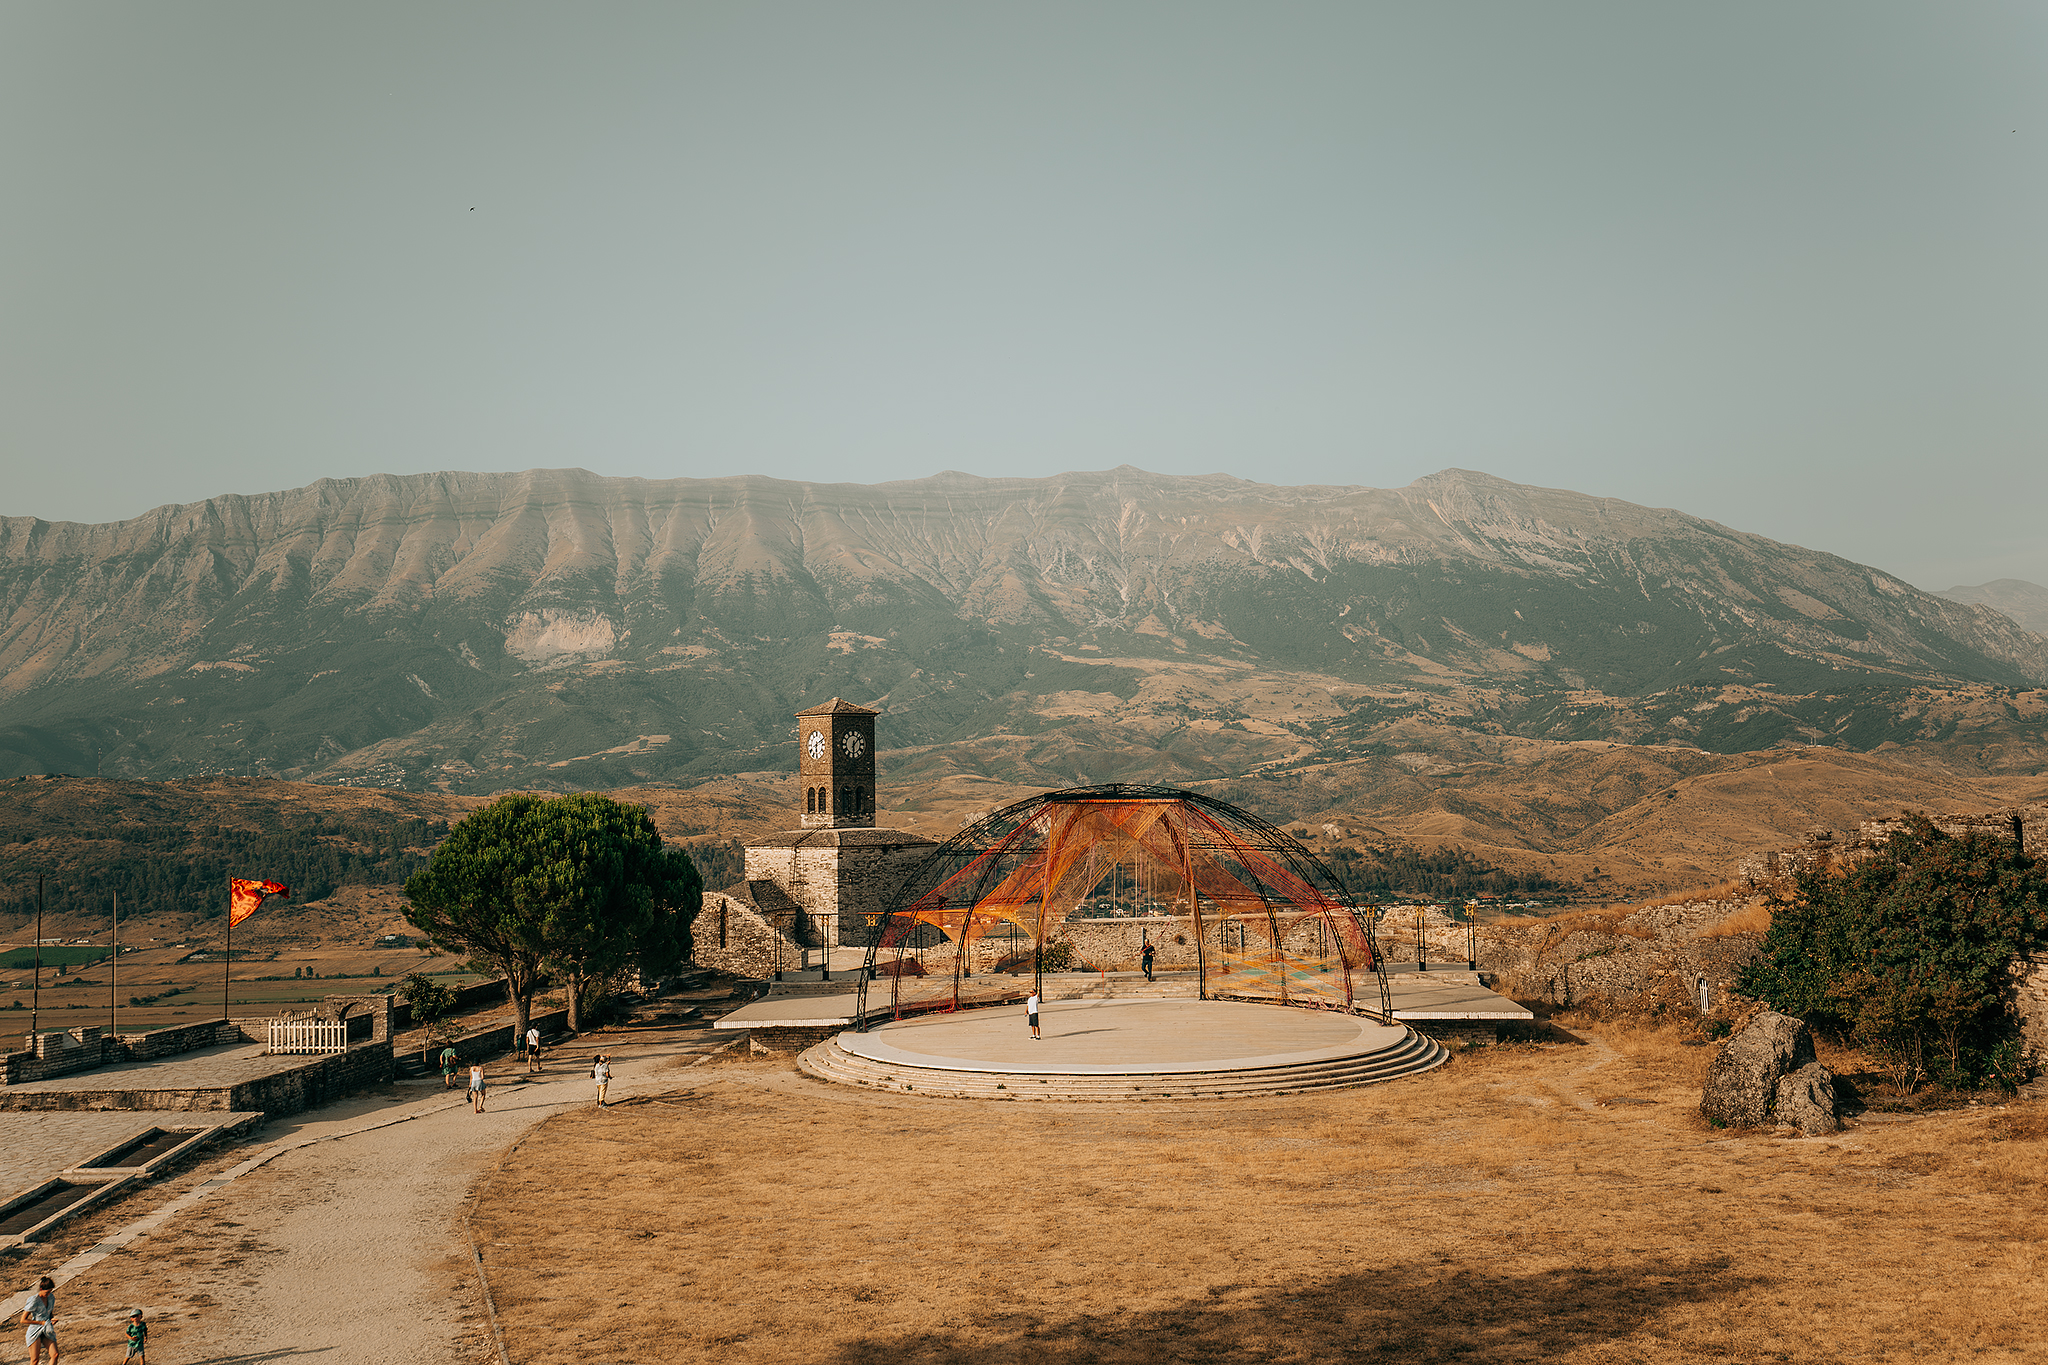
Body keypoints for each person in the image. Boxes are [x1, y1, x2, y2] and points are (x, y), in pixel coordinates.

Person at [20, 1274, 57, 1365]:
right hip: (35, 1330)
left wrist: (52, 1319)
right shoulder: (34, 1300)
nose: (48, 1294)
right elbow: (23, 1320)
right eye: (47, 1292)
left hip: (46, 1329)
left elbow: (49, 1312)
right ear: (41, 1289)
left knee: (55, 1354)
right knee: (35, 1360)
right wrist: (40, 1322)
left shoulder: (51, 1297)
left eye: (50, 1292)